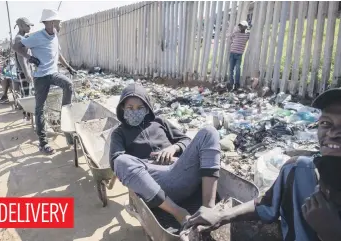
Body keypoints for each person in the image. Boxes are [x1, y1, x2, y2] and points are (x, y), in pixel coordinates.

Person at [183, 88, 341, 241]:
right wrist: (221, 216)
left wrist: (332, 232)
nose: (333, 133)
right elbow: (265, 204)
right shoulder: (299, 171)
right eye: (326, 123)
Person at [110, 83, 221, 226]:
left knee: (209, 132)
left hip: (180, 171)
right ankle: (179, 213)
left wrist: (174, 148)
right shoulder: (119, 133)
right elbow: (115, 162)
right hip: (153, 183)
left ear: (147, 108)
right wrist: (146, 163)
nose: (134, 111)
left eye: (140, 108)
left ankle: (208, 209)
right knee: (121, 161)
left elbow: (186, 140)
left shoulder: (159, 122)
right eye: (130, 108)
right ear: (122, 109)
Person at [13, 9, 76, 154]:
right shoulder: (36, 37)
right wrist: (29, 58)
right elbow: (16, 46)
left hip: (53, 73)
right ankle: (43, 143)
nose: (60, 25)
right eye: (58, 22)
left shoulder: (55, 36)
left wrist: (69, 67)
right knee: (39, 109)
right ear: (50, 23)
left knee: (69, 84)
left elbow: (58, 54)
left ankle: (64, 114)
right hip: (41, 77)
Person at [228, 20, 250, 91]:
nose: (240, 27)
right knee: (231, 69)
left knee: (237, 69)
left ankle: (237, 84)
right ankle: (231, 84)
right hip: (232, 53)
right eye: (240, 26)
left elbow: (250, 32)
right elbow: (231, 36)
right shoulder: (236, 33)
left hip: (239, 54)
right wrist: (232, 42)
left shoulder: (247, 34)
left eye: (242, 26)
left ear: (245, 27)